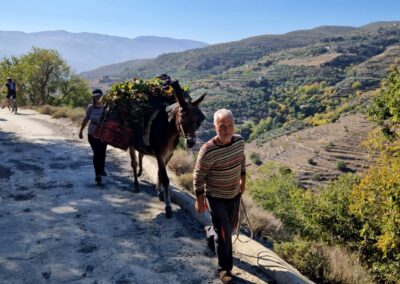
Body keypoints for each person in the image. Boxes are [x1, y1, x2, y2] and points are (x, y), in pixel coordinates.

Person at [193, 109, 246, 284]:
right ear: (214, 126)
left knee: (229, 227)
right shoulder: (207, 150)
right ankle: (225, 268)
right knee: (224, 234)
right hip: (215, 197)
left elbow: (241, 161)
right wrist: (200, 200)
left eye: (230, 125)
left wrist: (242, 181)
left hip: (234, 194)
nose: (226, 130)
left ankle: (210, 233)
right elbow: (198, 176)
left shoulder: (239, 142)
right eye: (222, 126)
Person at [79, 89, 107, 184]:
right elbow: (86, 119)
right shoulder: (91, 107)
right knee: (96, 152)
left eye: (99, 96)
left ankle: (102, 169)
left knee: (102, 152)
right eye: (95, 96)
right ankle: (97, 174)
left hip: (103, 133)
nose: (97, 98)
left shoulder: (106, 107)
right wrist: (81, 131)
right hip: (92, 133)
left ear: (102, 96)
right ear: (93, 97)